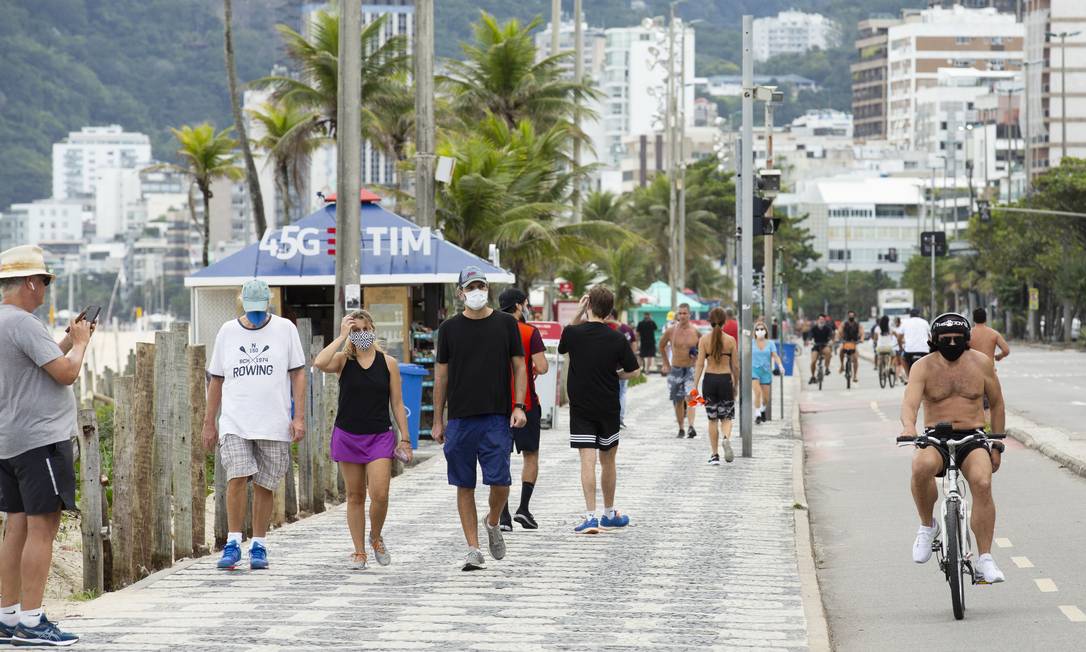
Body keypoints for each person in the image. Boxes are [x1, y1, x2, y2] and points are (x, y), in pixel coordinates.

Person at [0, 245, 90, 646]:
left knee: (15, 526)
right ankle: (33, 622)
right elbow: (67, 375)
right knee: (43, 527)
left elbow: (44, 361)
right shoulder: (25, 323)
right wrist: (84, 344)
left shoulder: (4, 321)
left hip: (10, 439)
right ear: (31, 283)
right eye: (45, 283)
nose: (45, 291)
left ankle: (8, 615)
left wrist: (68, 340)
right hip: (40, 440)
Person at [203, 279, 307, 571]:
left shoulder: (286, 329)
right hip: (236, 419)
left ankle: (259, 543)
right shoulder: (227, 331)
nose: (257, 314)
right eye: (252, 309)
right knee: (236, 475)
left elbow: (298, 373)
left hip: (274, 419)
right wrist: (209, 422)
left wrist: (298, 417)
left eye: (261, 309)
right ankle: (234, 541)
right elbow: (216, 379)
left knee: (265, 482)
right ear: (242, 305)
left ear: (269, 305)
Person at [900, 312, 1007, 584]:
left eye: (957, 339)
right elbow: (910, 403)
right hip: (936, 435)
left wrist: (996, 442)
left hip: (972, 436)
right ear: (934, 340)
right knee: (920, 466)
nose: (951, 343)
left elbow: (996, 403)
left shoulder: (982, 363)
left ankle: (985, 559)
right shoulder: (922, 366)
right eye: (944, 339)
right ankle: (928, 526)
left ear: (967, 339)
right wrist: (909, 428)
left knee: (982, 483)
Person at [432, 266, 527, 571]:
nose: (476, 291)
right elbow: (441, 377)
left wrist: (520, 405)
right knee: (464, 484)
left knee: (500, 482)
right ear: (460, 292)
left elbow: (520, 367)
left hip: (496, 417)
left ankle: (494, 520)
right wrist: (437, 419)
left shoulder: (505, 324)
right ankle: (473, 548)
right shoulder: (448, 329)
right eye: (471, 286)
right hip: (460, 419)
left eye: (481, 286)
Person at [313, 310, 413, 570]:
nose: (360, 335)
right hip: (348, 435)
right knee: (355, 495)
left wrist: (406, 438)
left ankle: (376, 536)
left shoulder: (388, 363)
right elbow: (319, 363)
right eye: (355, 331)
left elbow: (398, 402)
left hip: (379, 435)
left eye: (364, 329)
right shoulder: (343, 361)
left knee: (380, 493)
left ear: (373, 330)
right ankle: (359, 552)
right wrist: (342, 336)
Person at [558, 287, 641, 534]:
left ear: (590, 306)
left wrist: (577, 313)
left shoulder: (575, 333)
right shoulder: (617, 338)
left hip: (581, 407)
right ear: (610, 309)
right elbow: (635, 371)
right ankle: (608, 513)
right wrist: (615, 375)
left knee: (587, 461)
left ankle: (590, 517)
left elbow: (562, 347)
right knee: (608, 461)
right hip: (608, 406)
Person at [496, 288, 548, 532]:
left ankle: (503, 514)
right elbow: (543, 366)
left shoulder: (492, 330)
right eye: (525, 303)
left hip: (497, 405)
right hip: (526, 403)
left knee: (500, 457)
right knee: (531, 455)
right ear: (519, 305)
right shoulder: (529, 332)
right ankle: (523, 509)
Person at [692, 307, 740, 464]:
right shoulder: (731, 341)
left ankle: (714, 455)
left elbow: (699, 364)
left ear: (709, 321)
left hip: (710, 381)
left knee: (712, 419)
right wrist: (736, 383)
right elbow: (736, 366)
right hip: (725, 380)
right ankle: (726, 438)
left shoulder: (704, 340)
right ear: (725, 322)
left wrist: (695, 386)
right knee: (726, 417)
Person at [659, 304, 701, 439]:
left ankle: (691, 426)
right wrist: (665, 363)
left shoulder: (695, 331)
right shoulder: (671, 331)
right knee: (677, 400)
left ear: (690, 315)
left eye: (685, 313)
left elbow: (704, 348)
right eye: (680, 313)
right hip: (675, 368)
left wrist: (698, 357)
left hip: (690, 369)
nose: (682, 316)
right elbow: (661, 345)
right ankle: (681, 428)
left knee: (691, 397)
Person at [970, 308, 1010, 420]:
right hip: (989, 372)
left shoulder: (969, 334)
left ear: (973, 319)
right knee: (988, 405)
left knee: (973, 403)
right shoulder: (994, 334)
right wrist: (998, 356)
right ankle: (987, 430)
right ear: (985, 318)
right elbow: (1006, 350)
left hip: (971, 373)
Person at [607, 310, 637, 429]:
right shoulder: (627, 328)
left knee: (616, 392)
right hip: (624, 364)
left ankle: (615, 418)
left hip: (612, 365)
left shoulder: (610, 327)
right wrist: (632, 359)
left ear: (610, 316)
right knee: (622, 393)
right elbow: (634, 343)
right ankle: (620, 418)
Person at [752, 321, 784, 424]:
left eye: (762, 329)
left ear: (765, 331)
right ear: (754, 331)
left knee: (766, 398)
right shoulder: (751, 343)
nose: (759, 331)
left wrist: (780, 366)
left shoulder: (770, 343)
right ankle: (757, 414)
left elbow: (775, 356)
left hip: (766, 372)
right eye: (757, 329)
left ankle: (762, 410)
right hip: (754, 371)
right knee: (757, 392)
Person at [900, 308, 931, 379]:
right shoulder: (925, 322)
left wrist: (901, 347)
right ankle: (929, 377)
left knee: (903, 358)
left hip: (909, 350)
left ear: (910, 315)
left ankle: (908, 377)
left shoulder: (905, 323)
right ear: (919, 314)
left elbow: (899, 337)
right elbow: (930, 336)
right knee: (930, 360)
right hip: (924, 350)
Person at [808, 314, 835, 384]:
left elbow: (830, 335)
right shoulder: (814, 328)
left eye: (823, 319)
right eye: (820, 319)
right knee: (813, 361)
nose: (821, 320)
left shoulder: (827, 328)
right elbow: (810, 335)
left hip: (824, 345)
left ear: (824, 320)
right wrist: (810, 340)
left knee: (828, 352)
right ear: (818, 320)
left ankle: (826, 368)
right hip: (816, 346)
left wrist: (830, 341)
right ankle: (813, 376)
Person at [838, 310, 863, 384]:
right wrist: (839, 338)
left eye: (852, 315)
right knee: (841, 351)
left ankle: (855, 376)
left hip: (853, 343)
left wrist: (861, 339)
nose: (851, 317)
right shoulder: (844, 324)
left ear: (854, 316)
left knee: (855, 359)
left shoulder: (857, 324)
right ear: (848, 316)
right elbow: (839, 331)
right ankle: (842, 366)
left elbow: (862, 332)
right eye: (850, 315)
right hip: (846, 342)